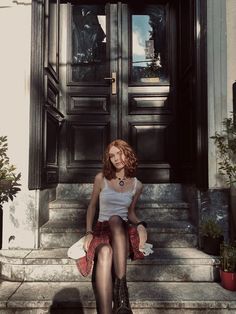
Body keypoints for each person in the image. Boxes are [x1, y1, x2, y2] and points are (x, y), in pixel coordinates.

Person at [78, 139, 148, 314]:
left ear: (127, 154)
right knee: (104, 252)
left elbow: (130, 213)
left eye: (119, 153)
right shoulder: (101, 179)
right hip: (102, 230)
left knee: (117, 219)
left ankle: (121, 290)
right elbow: (92, 206)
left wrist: (140, 224)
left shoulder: (137, 185)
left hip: (122, 232)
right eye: (112, 155)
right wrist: (88, 232)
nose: (116, 158)